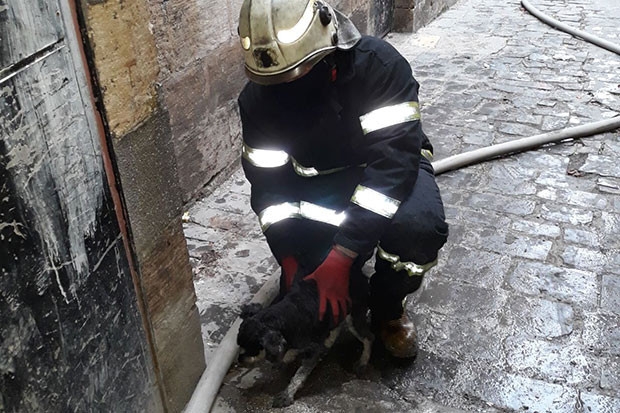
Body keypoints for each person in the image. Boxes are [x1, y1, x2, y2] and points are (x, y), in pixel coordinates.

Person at [236, 0, 449, 358]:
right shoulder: (258, 102)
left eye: (299, 75)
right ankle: (332, 270)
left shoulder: (379, 68)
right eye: (276, 82)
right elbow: (269, 188)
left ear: (329, 54)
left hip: (385, 174)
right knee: (315, 290)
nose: (286, 92)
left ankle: (388, 311)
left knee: (417, 229)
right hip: (320, 186)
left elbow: (393, 165)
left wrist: (342, 255)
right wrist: (288, 257)